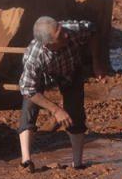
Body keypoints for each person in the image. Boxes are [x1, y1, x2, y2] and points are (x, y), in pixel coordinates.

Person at [18, 16, 106, 171]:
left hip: (70, 70)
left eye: (62, 29)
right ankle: (26, 161)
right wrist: (56, 110)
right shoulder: (34, 57)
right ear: (48, 44)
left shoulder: (71, 29)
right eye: (60, 36)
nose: (66, 35)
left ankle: (77, 163)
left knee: (75, 111)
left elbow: (93, 30)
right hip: (44, 76)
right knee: (29, 105)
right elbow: (28, 89)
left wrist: (96, 61)